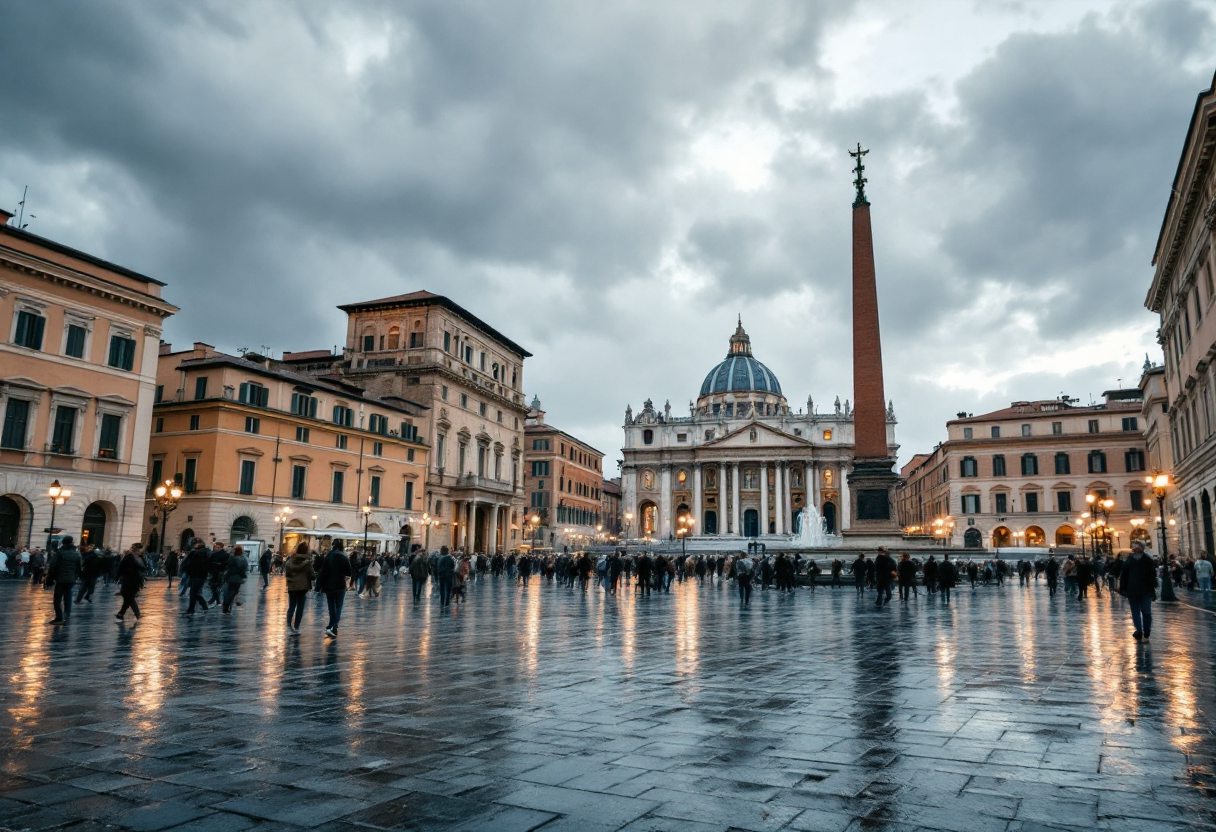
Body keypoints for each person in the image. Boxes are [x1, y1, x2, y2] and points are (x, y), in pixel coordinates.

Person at [1119, 542, 1158, 640]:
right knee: (1136, 611)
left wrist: (1153, 589)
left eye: (1136, 547)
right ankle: (1139, 630)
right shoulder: (1129, 560)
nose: (1134, 549)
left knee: (1146, 612)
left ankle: (1146, 629)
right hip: (1133, 590)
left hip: (1145, 590)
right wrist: (1123, 588)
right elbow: (1124, 575)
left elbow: (1152, 576)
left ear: (1142, 548)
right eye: (1133, 547)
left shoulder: (1148, 561)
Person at [316, 540, 353, 638]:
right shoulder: (344, 557)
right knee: (339, 606)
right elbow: (349, 572)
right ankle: (334, 625)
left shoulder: (328, 557)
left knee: (331, 606)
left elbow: (323, 572)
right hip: (340, 585)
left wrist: (321, 586)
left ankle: (332, 625)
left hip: (329, 585)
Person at [45, 536, 83, 624]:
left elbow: (52, 566)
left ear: (63, 543)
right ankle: (67, 613)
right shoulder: (77, 554)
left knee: (57, 599)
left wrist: (50, 578)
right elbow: (79, 568)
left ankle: (59, 618)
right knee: (68, 595)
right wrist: (77, 577)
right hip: (71, 579)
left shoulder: (60, 553)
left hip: (61, 578)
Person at [283, 543, 315, 634]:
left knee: (291, 607)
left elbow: (287, 573)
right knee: (300, 608)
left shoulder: (290, 560)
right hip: (302, 587)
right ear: (306, 551)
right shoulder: (308, 562)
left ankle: (288, 626)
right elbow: (313, 576)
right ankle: (297, 627)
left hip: (292, 586)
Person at [115, 544, 147, 621]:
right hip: (127, 580)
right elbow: (120, 567)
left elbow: (144, 567)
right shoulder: (128, 557)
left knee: (129, 598)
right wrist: (117, 577)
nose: (141, 552)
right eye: (140, 550)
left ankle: (122, 613)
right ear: (136, 550)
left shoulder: (140, 558)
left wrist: (142, 557)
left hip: (136, 581)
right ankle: (132, 614)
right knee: (129, 598)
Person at [182, 540, 212, 615]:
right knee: (194, 592)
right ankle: (201, 606)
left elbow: (192, 564)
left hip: (196, 575)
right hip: (200, 575)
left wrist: (188, 570)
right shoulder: (205, 553)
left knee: (193, 592)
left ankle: (192, 609)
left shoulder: (199, 554)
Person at [221, 545, 249, 614]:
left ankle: (226, 605)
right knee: (233, 592)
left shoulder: (231, 558)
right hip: (237, 578)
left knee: (229, 592)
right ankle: (226, 606)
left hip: (229, 577)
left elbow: (226, 566)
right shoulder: (242, 559)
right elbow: (244, 569)